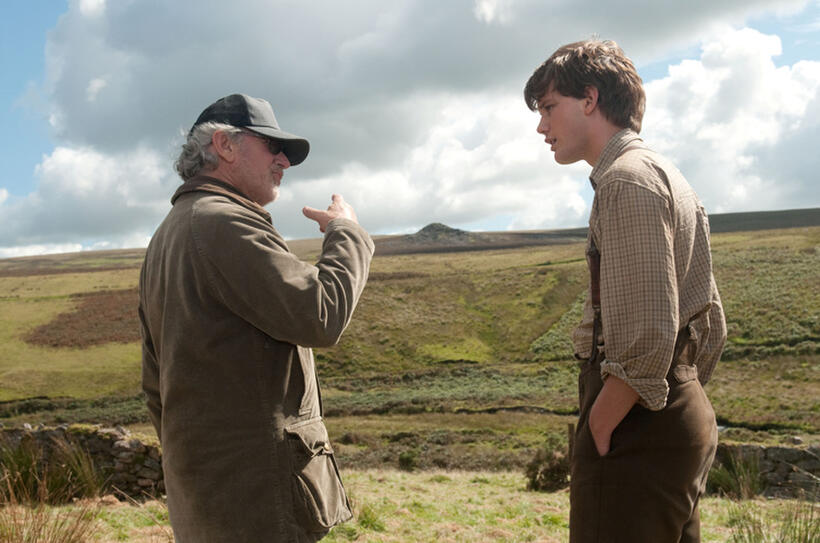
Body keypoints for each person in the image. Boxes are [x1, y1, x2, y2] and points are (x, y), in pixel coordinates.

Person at [138, 93, 374, 542]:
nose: (284, 160)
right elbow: (322, 314)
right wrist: (347, 232)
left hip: (210, 501)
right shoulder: (222, 222)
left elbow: (156, 386)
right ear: (224, 145)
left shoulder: (166, 237)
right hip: (260, 504)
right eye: (272, 145)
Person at [524, 40, 726, 542]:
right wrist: (682, 393)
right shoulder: (664, 174)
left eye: (549, 107)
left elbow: (648, 329)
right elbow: (711, 323)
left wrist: (603, 422)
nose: (541, 126)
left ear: (589, 99)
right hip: (668, 410)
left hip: (637, 422)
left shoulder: (626, 181)